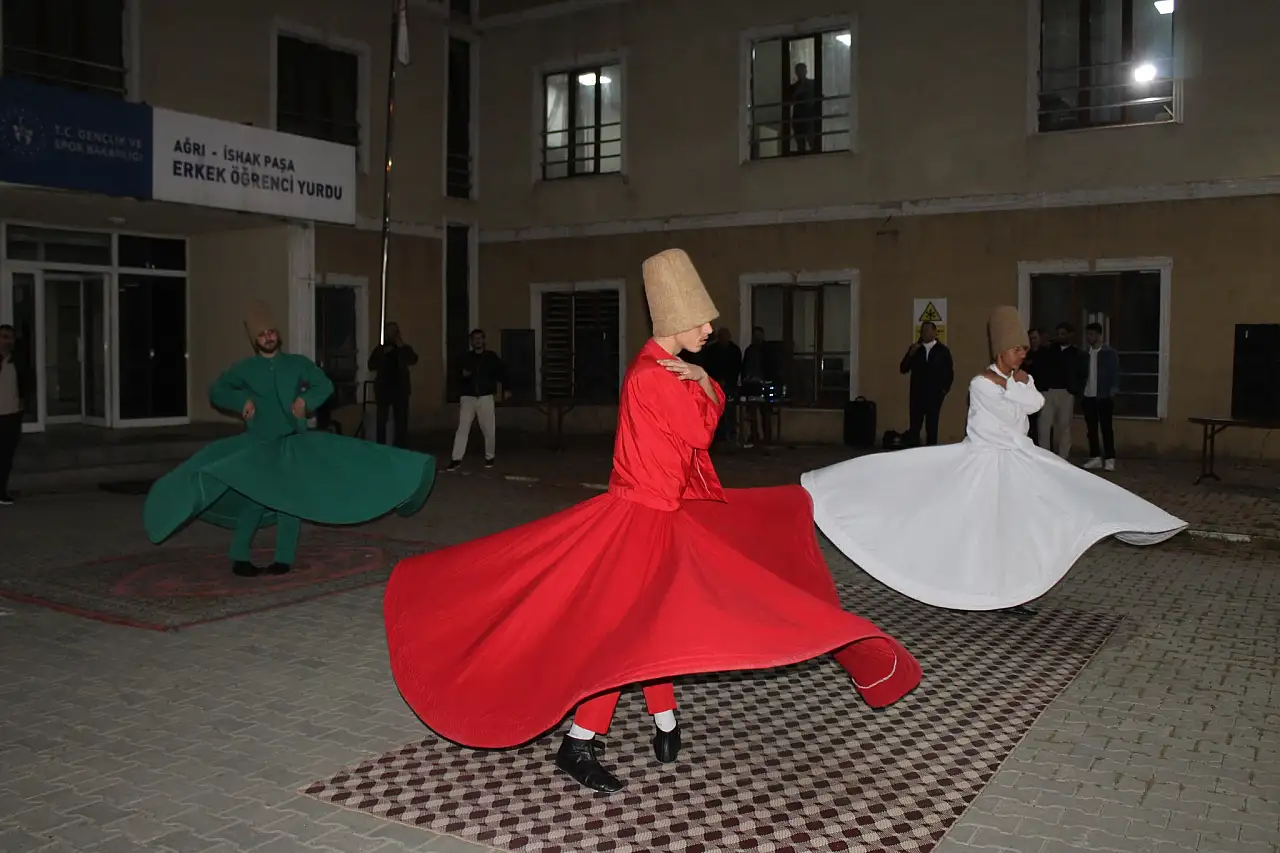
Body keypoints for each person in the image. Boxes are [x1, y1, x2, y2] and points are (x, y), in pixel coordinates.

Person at [384, 249, 921, 794]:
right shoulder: (657, 378)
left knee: (651, 624)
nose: (709, 328)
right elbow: (702, 432)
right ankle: (579, 743)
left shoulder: (656, 368)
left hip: (657, 516)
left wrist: (696, 376)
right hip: (639, 520)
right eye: (700, 322)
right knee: (621, 635)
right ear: (672, 324)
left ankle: (665, 722)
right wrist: (707, 383)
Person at [800, 306, 1186, 612]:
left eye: (1024, 349)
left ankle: (1014, 591)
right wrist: (1014, 390)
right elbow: (1000, 416)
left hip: (1017, 461)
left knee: (1023, 524)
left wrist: (1018, 386)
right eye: (1018, 349)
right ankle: (978, 588)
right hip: (984, 463)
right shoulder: (980, 383)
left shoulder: (1022, 379)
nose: (1024, 354)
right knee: (978, 529)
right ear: (1001, 351)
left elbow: (1033, 404)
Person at [143, 301, 436, 576]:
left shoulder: (296, 364)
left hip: (291, 443)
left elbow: (324, 384)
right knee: (254, 501)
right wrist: (240, 400)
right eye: (262, 334)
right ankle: (240, 557)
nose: (268, 337)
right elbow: (217, 391)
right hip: (258, 444)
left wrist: (305, 400)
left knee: (290, 502)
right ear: (255, 340)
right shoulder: (245, 369)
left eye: (271, 332)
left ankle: (283, 559)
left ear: (277, 334)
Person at [447, 329, 507, 471]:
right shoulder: (465, 358)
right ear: (471, 341)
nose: (478, 341)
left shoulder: (491, 357)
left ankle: (489, 457)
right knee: (462, 429)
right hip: (468, 397)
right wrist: (463, 376)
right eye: (475, 338)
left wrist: (507, 388)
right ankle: (456, 459)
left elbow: (501, 373)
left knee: (489, 429)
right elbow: (456, 376)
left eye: (480, 338)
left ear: (484, 340)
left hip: (485, 397)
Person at [899, 321, 953, 446]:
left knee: (932, 427)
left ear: (934, 332)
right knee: (915, 427)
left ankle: (931, 454)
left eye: (927, 330)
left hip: (934, 395)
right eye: (922, 331)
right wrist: (910, 354)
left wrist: (943, 390)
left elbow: (949, 372)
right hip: (917, 395)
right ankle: (913, 453)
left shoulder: (942, 351)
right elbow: (903, 368)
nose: (924, 333)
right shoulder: (916, 349)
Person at [367, 322, 418, 448]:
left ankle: (400, 446)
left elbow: (413, 359)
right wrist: (383, 354)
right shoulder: (380, 349)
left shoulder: (404, 349)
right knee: (382, 419)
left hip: (400, 388)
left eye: (395, 331)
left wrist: (401, 347)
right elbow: (371, 365)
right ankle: (381, 446)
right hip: (384, 389)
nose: (393, 334)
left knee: (401, 420)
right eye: (390, 331)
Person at [1036, 322, 1082, 459]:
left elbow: (1080, 373)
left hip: (1066, 393)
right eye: (1058, 334)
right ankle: (1044, 457)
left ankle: (1063, 458)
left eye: (1063, 334)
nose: (1060, 337)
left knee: (1064, 427)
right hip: (1048, 392)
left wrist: (1074, 389)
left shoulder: (1075, 354)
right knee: (1044, 426)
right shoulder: (1048, 350)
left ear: (1070, 335)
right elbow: (1039, 368)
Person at [1080, 322, 1120, 471]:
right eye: (1088, 334)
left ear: (1099, 335)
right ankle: (1095, 457)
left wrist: (1113, 389)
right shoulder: (1085, 353)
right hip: (1088, 396)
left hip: (1103, 396)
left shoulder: (1109, 353)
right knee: (1091, 429)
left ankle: (1109, 458)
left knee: (1106, 428)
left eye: (1092, 334)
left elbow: (1115, 373)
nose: (1089, 337)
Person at [0, 324, 31, 506]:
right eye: (3, 337)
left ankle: (1, 491)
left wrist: (24, 402)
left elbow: (27, 381)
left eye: (10, 338)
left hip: (11, 415)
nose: (7, 341)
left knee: (6, 456)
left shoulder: (18, 360)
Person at [700, 327, 742, 442]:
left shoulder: (734, 350)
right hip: (715, 384)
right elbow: (708, 366)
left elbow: (736, 367)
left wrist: (728, 380)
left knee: (730, 409)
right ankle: (719, 435)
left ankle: (731, 434)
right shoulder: (712, 350)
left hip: (729, 384)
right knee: (717, 410)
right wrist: (716, 380)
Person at [1022, 328, 1046, 445]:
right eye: (1030, 339)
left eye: (1035, 338)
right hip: (1026, 393)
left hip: (1042, 392)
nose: (1032, 341)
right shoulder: (1026, 355)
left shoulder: (1046, 354)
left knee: (1041, 424)